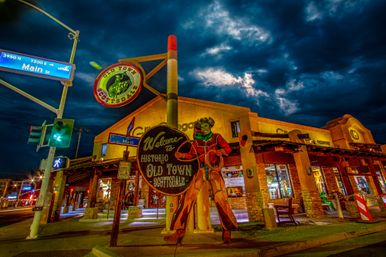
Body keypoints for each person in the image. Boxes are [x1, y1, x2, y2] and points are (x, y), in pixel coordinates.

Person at [164, 117, 238, 244]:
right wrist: (181, 155)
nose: (204, 128)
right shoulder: (195, 143)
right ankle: (179, 232)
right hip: (201, 171)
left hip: (214, 170)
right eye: (202, 126)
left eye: (206, 126)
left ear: (210, 126)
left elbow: (228, 149)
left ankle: (227, 231)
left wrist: (218, 151)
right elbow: (191, 155)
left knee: (221, 199)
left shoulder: (216, 137)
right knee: (188, 198)